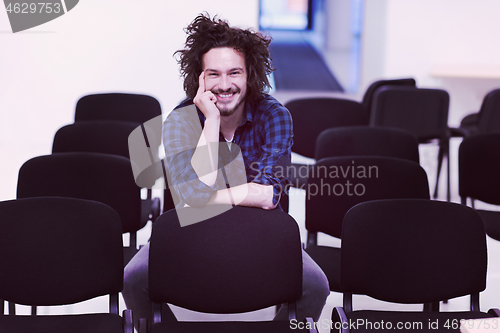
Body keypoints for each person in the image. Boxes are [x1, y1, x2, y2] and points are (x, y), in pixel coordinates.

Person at [123, 13, 329, 327]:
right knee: (133, 278)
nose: (224, 84)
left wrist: (204, 196)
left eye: (234, 72)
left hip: (262, 234)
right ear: (199, 78)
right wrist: (212, 122)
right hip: (190, 233)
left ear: (250, 75)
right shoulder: (181, 118)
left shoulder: (275, 115)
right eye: (213, 74)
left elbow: (268, 195)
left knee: (316, 285)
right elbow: (188, 200)